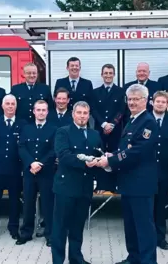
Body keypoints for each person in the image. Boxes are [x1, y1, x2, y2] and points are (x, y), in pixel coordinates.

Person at [97, 84, 159, 264]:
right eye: (129, 99)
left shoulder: (148, 121)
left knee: (144, 227)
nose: (132, 102)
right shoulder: (132, 120)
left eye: (136, 99)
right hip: (128, 183)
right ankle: (134, 258)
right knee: (131, 226)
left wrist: (111, 160)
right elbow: (125, 149)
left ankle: (147, 261)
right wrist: (113, 155)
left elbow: (138, 151)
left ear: (145, 101)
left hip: (141, 184)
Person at [51, 101, 102, 264]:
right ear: (73, 114)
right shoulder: (63, 132)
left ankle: (76, 258)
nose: (82, 116)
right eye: (79, 113)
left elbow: (98, 156)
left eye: (85, 113)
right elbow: (63, 155)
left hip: (85, 187)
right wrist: (84, 163)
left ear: (89, 115)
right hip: (66, 187)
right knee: (60, 227)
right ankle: (58, 260)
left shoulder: (95, 134)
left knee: (78, 225)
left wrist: (100, 178)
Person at [0, 94, 27, 241]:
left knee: (15, 200)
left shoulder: (23, 124)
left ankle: (13, 228)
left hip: (15, 169)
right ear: (2, 106)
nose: (10, 106)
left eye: (12, 104)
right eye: (7, 104)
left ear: (16, 106)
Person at [17, 100, 57, 247]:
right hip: (29, 172)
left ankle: (50, 235)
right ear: (33, 111)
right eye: (38, 110)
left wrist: (40, 163)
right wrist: (31, 163)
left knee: (48, 204)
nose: (41, 112)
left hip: (46, 172)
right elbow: (21, 147)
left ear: (47, 112)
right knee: (28, 204)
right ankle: (26, 233)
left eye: (43, 110)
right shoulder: (26, 128)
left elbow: (54, 150)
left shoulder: (53, 129)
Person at [92, 64, 126, 192]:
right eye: (105, 73)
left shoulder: (121, 91)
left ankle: (114, 186)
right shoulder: (95, 92)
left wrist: (112, 124)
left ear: (114, 75)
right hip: (100, 131)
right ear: (102, 75)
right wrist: (103, 124)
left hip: (116, 131)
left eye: (110, 73)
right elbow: (93, 110)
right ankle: (101, 186)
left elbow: (122, 110)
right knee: (100, 157)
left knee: (114, 157)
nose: (108, 75)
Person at [151, 91, 168, 250]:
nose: (160, 104)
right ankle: (147, 237)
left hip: (165, 172)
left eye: (163, 102)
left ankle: (160, 238)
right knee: (147, 206)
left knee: (161, 206)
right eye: (158, 101)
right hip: (146, 172)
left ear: (167, 104)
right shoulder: (144, 120)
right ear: (152, 103)